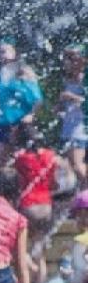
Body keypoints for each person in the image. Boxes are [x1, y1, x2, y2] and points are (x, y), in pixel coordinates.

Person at [13, 125, 59, 283]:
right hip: (46, 206)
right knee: (39, 250)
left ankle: (28, 274)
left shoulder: (21, 158)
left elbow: (16, 180)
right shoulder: (50, 156)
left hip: (28, 206)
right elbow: (54, 182)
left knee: (19, 248)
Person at [0, 42, 43, 173]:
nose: (1, 55)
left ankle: (17, 190)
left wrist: (31, 115)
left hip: (20, 125)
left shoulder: (23, 71)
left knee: (19, 162)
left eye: (4, 51)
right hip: (1, 123)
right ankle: (2, 190)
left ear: (15, 53)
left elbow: (38, 98)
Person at [60, 46, 87, 190]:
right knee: (71, 167)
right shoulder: (68, 80)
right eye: (65, 60)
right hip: (69, 128)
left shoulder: (84, 79)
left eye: (70, 60)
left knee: (77, 165)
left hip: (80, 129)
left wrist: (72, 97)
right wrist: (60, 106)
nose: (66, 64)